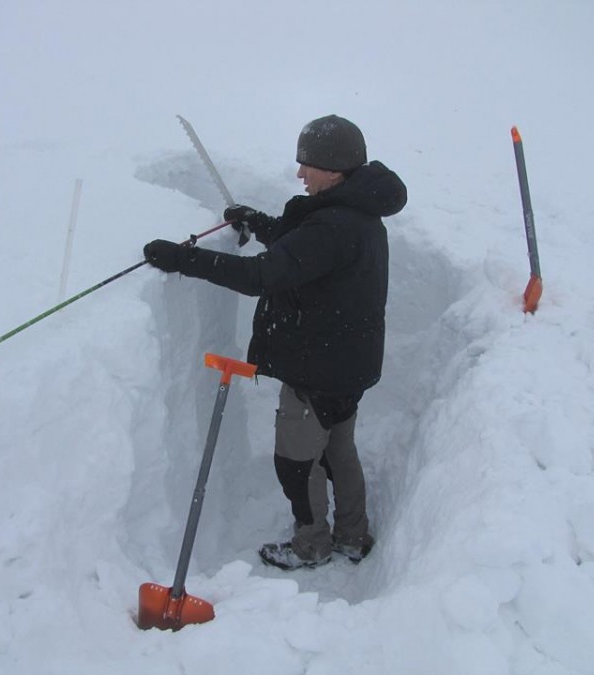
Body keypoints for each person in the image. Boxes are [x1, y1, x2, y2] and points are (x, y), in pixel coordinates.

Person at [144, 114, 407, 570]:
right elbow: (303, 250)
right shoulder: (359, 211)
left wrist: (182, 258)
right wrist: (258, 222)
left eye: (307, 165)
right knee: (338, 447)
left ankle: (312, 544)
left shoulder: (334, 226)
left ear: (334, 169)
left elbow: (263, 275)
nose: (300, 174)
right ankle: (351, 534)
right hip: (349, 363)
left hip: (318, 369)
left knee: (296, 461)